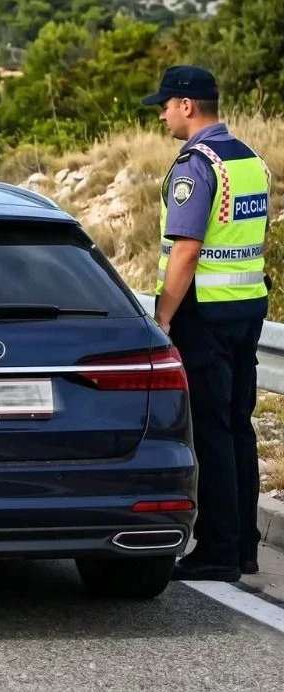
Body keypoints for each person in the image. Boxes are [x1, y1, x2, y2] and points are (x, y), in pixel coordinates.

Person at [144, 65, 272, 582]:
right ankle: (243, 547)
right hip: (247, 308)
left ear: (187, 105)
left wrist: (163, 317)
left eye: (165, 105)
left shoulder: (197, 165)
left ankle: (217, 551)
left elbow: (186, 250)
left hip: (205, 317)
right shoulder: (251, 161)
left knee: (212, 432)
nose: (162, 115)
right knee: (238, 427)